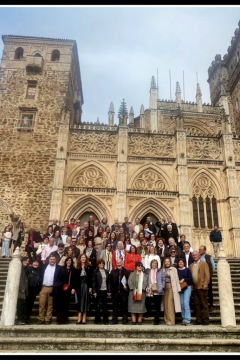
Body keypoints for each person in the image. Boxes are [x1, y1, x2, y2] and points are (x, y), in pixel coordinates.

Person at [38, 255, 62, 324]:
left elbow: (60, 278)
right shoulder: (43, 266)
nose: (52, 260)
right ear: (48, 260)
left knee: (50, 305)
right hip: (44, 287)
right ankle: (41, 318)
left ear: (56, 260)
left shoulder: (58, 268)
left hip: (52, 288)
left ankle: (48, 319)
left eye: (53, 259)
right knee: (41, 304)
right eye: (51, 259)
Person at [189, 251, 210, 325]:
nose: (194, 256)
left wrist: (205, 284)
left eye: (196, 255)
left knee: (204, 304)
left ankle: (206, 320)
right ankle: (199, 319)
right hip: (194, 286)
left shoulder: (204, 264)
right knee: (197, 304)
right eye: (193, 255)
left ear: (199, 256)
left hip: (201, 285)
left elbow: (207, 275)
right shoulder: (191, 265)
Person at [71, 254, 93, 324]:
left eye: (84, 257)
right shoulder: (76, 267)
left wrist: (90, 286)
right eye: (82, 257)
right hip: (79, 286)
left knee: (86, 301)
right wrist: (73, 288)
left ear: (86, 259)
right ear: (80, 259)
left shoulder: (89, 267)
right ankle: (79, 317)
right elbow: (73, 279)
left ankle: (84, 317)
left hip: (86, 285)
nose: (83, 259)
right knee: (79, 301)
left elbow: (91, 278)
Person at [145, 259, 166, 324]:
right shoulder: (148, 271)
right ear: (151, 264)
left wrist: (162, 286)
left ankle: (156, 319)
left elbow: (163, 279)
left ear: (157, 265)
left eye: (155, 263)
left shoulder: (160, 271)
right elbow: (146, 279)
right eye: (153, 263)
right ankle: (149, 313)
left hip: (158, 289)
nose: (154, 264)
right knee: (147, 302)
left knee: (157, 305)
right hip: (150, 288)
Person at [161, 257, 181, 325]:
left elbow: (176, 278)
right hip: (164, 287)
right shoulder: (163, 269)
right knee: (165, 303)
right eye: (165, 261)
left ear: (170, 262)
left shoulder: (174, 269)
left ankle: (171, 321)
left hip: (171, 287)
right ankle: (166, 319)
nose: (167, 263)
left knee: (170, 303)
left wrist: (170, 275)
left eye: (168, 261)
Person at [109, 259, 129, 325]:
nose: (118, 264)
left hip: (123, 292)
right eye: (117, 263)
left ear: (122, 263)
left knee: (124, 307)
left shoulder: (126, 272)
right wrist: (110, 291)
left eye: (120, 263)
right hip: (115, 292)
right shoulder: (113, 271)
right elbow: (110, 282)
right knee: (115, 307)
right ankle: (114, 320)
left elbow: (129, 281)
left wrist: (127, 286)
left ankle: (125, 320)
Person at [56, 257, 75, 324]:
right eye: (67, 260)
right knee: (60, 305)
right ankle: (59, 320)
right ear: (65, 261)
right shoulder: (61, 269)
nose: (69, 262)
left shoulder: (73, 270)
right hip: (61, 288)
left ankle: (64, 320)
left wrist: (73, 288)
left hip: (69, 289)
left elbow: (74, 280)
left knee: (66, 305)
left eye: (70, 260)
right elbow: (58, 278)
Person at [93, 259, 111, 325]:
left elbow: (109, 281)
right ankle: (97, 320)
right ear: (98, 264)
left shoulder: (106, 271)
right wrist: (94, 291)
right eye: (100, 263)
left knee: (105, 306)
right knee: (97, 306)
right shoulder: (95, 271)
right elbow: (93, 282)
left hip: (105, 290)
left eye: (102, 263)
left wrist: (109, 291)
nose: (101, 264)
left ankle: (105, 320)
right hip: (98, 291)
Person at [199, 245, 216, 312]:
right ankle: (203, 305)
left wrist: (209, 275)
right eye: (199, 249)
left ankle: (211, 305)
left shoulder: (209, 257)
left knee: (209, 291)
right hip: (200, 278)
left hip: (208, 277)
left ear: (204, 250)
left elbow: (213, 266)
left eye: (201, 249)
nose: (199, 250)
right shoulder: (198, 257)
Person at [25, 258, 41, 324]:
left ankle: (27, 318)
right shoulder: (28, 270)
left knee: (30, 305)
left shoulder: (40, 271)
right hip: (27, 289)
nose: (36, 264)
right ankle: (23, 318)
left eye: (37, 262)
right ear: (32, 263)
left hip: (34, 290)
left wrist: (38, 290)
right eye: (34, 262)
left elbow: (40, 281)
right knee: (25, 304)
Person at [177, 258, 193, 326]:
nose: (180, 263)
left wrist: (184, 279)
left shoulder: (187, 269)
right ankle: (184, 319)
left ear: (184, 263)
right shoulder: (176, 270)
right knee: (182, 304)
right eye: (179, 262)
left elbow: (191, 278)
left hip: (187, 287)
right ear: (178, 263)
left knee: (186, 304)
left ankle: (187, 320)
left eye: (182, 262)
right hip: (180, 288)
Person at [16, 257, 30, 325]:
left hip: (24, 289)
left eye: (28, 261)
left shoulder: (24, 269)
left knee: (22, 305)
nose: (27, 262)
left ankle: (21, 319)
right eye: (25, 261)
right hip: (20, 290)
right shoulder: (20, 268)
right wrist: (22, 288)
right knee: (20, 305)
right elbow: (19, 279)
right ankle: (19, 320)